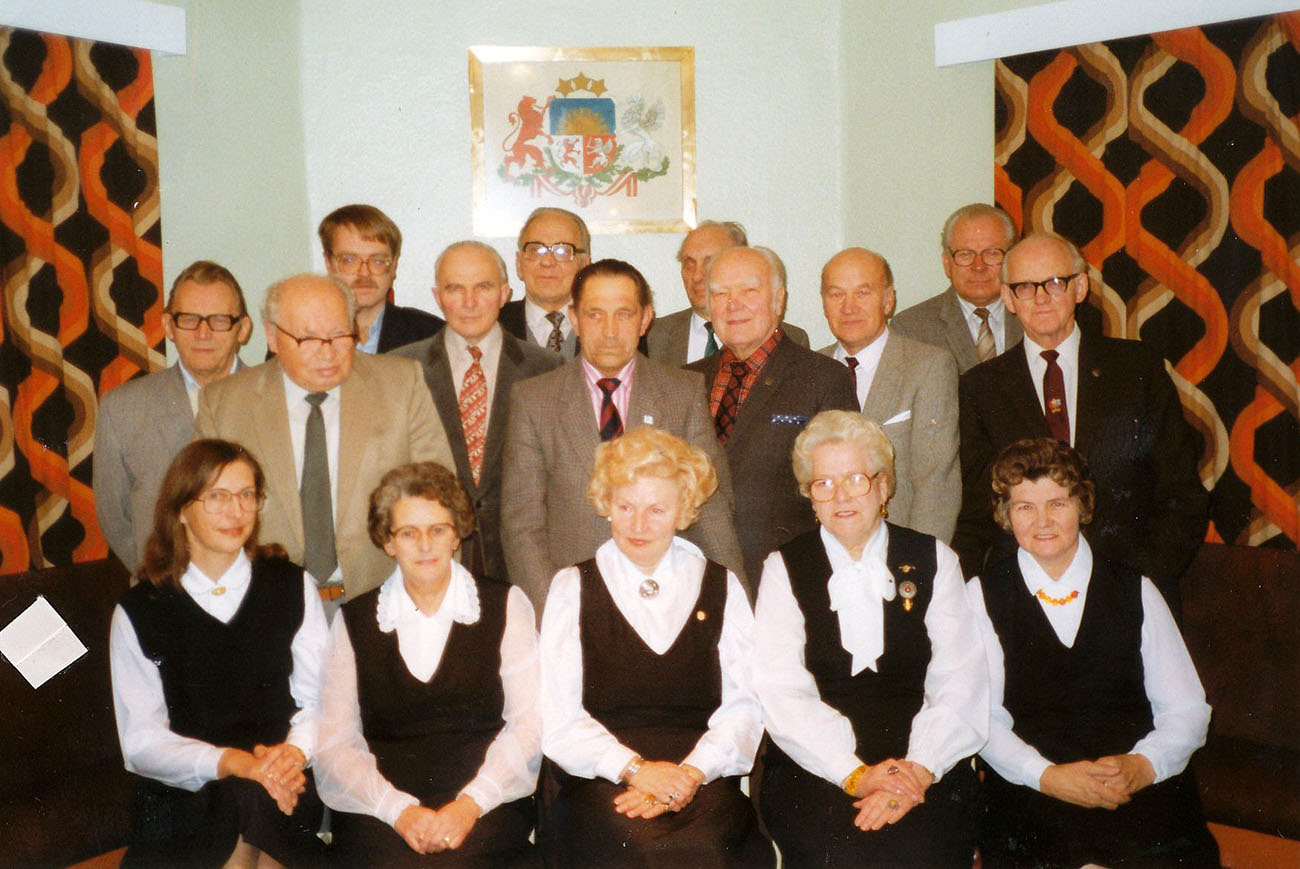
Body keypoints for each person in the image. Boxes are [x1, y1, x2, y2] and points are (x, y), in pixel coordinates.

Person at [966, 438, 1218, 867]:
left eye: (1057, 503)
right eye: (1025, 506)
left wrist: (1142, 766)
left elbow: (1187, 709)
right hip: (1034, 789)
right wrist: (1047, 777)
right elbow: (980, 717)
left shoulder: (1136, 588)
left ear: (1082, 506)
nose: (1042, 521)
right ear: (1006, 514)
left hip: (1133, 785)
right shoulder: (980, 595)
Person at [753, 410, 987, 866]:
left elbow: (961, 680)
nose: (840, 495)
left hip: (925, 760)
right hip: (817, 764)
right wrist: (856, 775)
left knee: (923, 850)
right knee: (843, 854)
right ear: (810, 497)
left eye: (855, 479)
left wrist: (918, 771)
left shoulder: (935, 559)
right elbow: (781, 691)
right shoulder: (784, 567)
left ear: (883, 487)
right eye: (823, 483)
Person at [539, 426, 771, 866]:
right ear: (606, 504)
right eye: (625, 506)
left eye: (656, 509)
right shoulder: (572, 587)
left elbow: (744, 707)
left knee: (708, 847)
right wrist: (637, 771)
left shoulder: (721, 585)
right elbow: (560, 717)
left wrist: (690, 775)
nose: (638, 524)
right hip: (602, 780)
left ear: (684, 511)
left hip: (701, 779)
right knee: (638, 848)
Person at [954, 232, 1208, 609]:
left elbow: (1181, 491)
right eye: (1025, 286)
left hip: (1131, 588)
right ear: (1007, 298)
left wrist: (1144, 579)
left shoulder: (1138, 369)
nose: (1040, 298)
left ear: (1080, 287)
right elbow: (979, 510)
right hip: (1021, 598)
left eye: (1055, 282)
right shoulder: (980, 387)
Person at [109, 439, 329, 867]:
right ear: (180, 510)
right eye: (218, 497)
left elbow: (320, 700)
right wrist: (231, 762)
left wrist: (293, 755)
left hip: (281, 778)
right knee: (244, 799)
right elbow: (141, 742)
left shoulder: (291, 586)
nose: (237, 511)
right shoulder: (140, 610)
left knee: (253, 799)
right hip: (185, 791)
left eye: (247, 495)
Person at [316, 461, 540, 865]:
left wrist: (469, 805)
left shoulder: (505, 604)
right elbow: (335, 742)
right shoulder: (354, 621)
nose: (424, 545)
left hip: (484, 802)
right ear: (388, 542)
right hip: (382, 809)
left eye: (437, 530)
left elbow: (529, 725)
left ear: (456, 535)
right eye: (408, 533)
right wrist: (399, 812)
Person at [502, 258, 745, 616]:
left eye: (624, 314)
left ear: (645, 319)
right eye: (595, 314)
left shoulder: (682, 393)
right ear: (574, 319)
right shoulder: (534, 400)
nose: (610, 330)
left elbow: (711, 510)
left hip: (669, 604)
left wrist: (737, 608)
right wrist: (556, 612)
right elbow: (522, 525)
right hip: (572, 602)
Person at [195, 273, 453, 608]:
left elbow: (441, 496)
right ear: (272, 337)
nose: (328, 353)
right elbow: (203, 517)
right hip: (265, 602)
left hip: (382, 598)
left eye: (339, 335)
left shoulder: (401, 384)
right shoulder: (224, 403)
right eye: (308, 339)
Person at [687, 245, 857, 583]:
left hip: (786, 576)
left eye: (749, 291)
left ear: (779, 300)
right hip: (694, 573)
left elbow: (840, 492)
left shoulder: (823, 378)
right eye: (720, 294)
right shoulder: (685, 381)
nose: (733, 304)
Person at [393, 241, 560, 583]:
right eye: (455, 288)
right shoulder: (401, 368)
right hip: (431, 559)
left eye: (483, 287)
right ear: (437, 296)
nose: (469, 302)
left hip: (520, 562)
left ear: (504, 293)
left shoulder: (547, 368)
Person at [95, 261, 253, 573]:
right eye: (189, 319)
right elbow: (115, 519)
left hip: (259, 588)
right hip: (165, 588)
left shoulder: (276, 400)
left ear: (243, 329)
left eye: (219, 320)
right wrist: (162, 580)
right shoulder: (122, 408)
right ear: (169, 326)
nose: (203, 333)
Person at [818, 247, 960, 541]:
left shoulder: (928, 367)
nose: (848, 307)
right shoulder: (809, 369)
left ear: (888, 300)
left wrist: (918, 559)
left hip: (898, 547)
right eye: (836, 294)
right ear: (824, 304)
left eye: (862, 293)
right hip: (823, 549)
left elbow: (936, 484)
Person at [647, 220, 808, 365]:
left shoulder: (791, 338)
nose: (697, 276)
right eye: (689, 264)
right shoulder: (652, 336)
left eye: (710, 263)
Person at [891, 203, 1022, 374]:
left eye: (992, 253)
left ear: (1012, 259)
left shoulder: (1035, 316)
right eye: (965, 254)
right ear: (947, 264)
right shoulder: (910, 329)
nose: (979, 266)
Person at [319, 203, 443, 353]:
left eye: (377, 261)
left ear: (393, 266)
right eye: (349, 260)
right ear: (329, 264)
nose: (364, 273)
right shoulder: (303, 334)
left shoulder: (432, 336)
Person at [499, 207, 591, 358]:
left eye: (562, 251)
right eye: (536, 250)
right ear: (519, 264)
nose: (547, 262)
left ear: (585, 265)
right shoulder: (491, 325)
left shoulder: (607, 325)